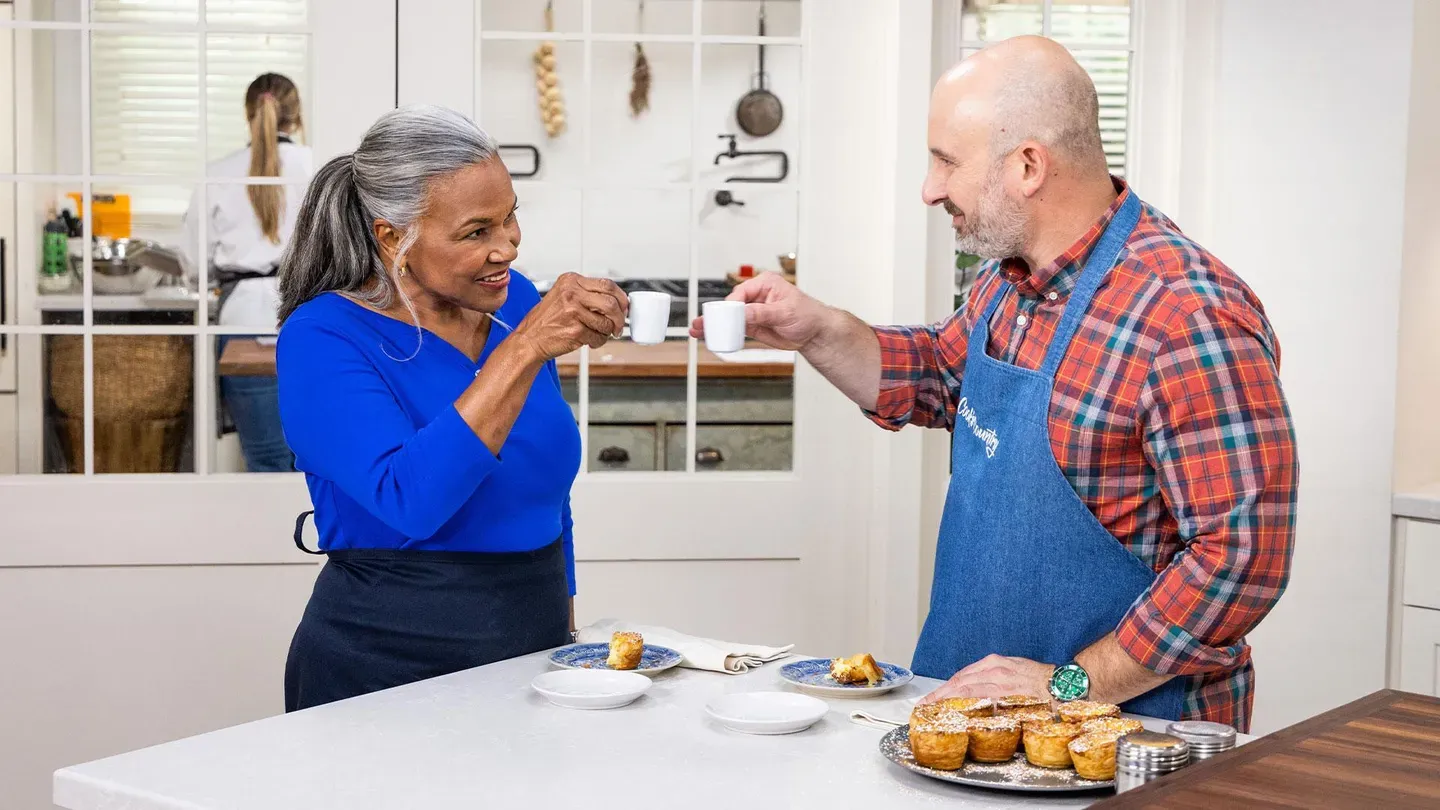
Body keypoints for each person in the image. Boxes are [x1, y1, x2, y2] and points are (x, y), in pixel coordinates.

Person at [692, 37, 1297, 732]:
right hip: (974, 719)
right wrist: (816, 330)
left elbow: (1243, 556)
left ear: (1029, 166)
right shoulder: (1005, 282)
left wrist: (1073, 684)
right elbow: (937, 377)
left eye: (946, 161)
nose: (929, 188)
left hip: (1130, 740)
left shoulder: (1186, 315)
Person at [275, 104, 627, 711]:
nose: (508, 247)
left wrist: (564, 627)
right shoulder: (323, 337)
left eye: (511, 217)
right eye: (476, 231)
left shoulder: (511, 301)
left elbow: (543, 483)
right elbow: (412, 501)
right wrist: (525, 347)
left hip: (531, 643)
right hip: (387, 659)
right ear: (393, 236)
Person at [182, 72, 311, 472]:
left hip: (240, 321)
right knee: (318, 457)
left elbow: (192, 262)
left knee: (265, 459)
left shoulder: (217, 173)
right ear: (297, 115)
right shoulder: (321, 166)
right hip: (311, 318)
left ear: (248, 114)